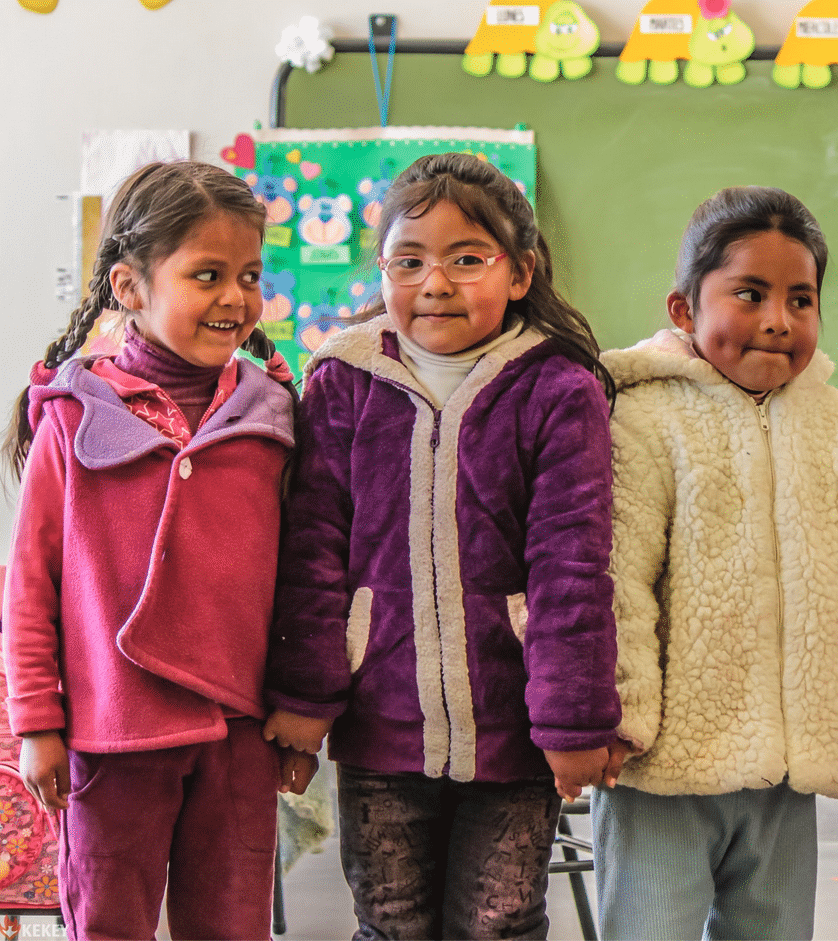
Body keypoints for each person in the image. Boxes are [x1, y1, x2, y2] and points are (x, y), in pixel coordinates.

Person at [263, 152, 620, 941]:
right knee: (390, 923)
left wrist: (572, 721)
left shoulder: (559, 388)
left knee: (499, 924)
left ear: (520, 272)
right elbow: (313, 554)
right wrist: (303, 698)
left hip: (515, 732)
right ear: (383, 270)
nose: (435, 283)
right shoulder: (344, 380)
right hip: (379, 724)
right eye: (410, 261)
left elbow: (572, 566)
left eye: (467, 259)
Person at [593, 185, 838, 941]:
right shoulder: (641, 417)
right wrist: (618, 714)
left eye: (801, 300)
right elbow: (617, 586)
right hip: (661, 767)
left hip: (788, 764)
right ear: (684, 310)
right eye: (750, 294)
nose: (779, 319)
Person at [3, 160, 309, 940]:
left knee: (233, 926)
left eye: (249, 276)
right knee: (109, 923)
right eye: (208, 275)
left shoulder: (273, 417)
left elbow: (304, 582)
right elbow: (31, 586)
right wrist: (36, 721)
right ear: (129, 287)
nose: (235, 297)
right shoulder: (73, 418)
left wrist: (302, 706)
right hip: (112, 734)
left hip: (237, 733)